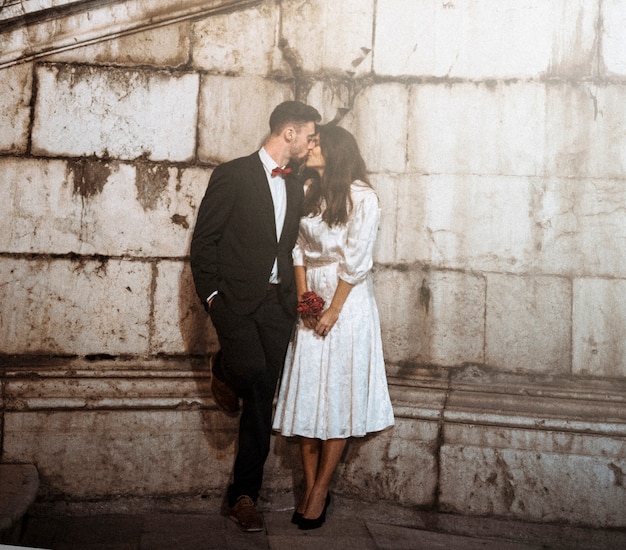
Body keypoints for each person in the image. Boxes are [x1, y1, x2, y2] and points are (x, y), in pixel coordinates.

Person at [190, 101, 321, 532]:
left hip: (276, 306)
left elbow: (291, 246)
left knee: (262, 403)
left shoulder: (296, 184)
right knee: (248, 367)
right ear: (288, 133)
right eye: (308, 135)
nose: (309, 143)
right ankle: (222, 366)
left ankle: (243, 496)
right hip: (235, 301)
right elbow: (205, 242)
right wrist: (212, 298)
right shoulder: (232, 175)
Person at [272, 125, 395, 530]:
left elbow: (358, 261)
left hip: (348, 300)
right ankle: (310, 489)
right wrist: (306, 299)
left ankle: (321, 490)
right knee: (309, 397)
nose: (310, 147)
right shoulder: (309, 191)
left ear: (337, 151)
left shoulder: (363, 197)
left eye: (318, 143)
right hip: (313, 297)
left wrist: (332, 310)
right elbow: (297, 247)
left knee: (337, 396)